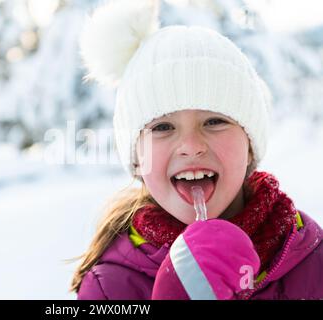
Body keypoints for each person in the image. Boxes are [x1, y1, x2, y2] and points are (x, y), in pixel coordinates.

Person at [70, 0, 323, 300]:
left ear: (251, 148)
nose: (191, 147)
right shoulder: (111, 286)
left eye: (214, 121)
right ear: (137, 159)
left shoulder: (310, 258)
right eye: (163, 127)